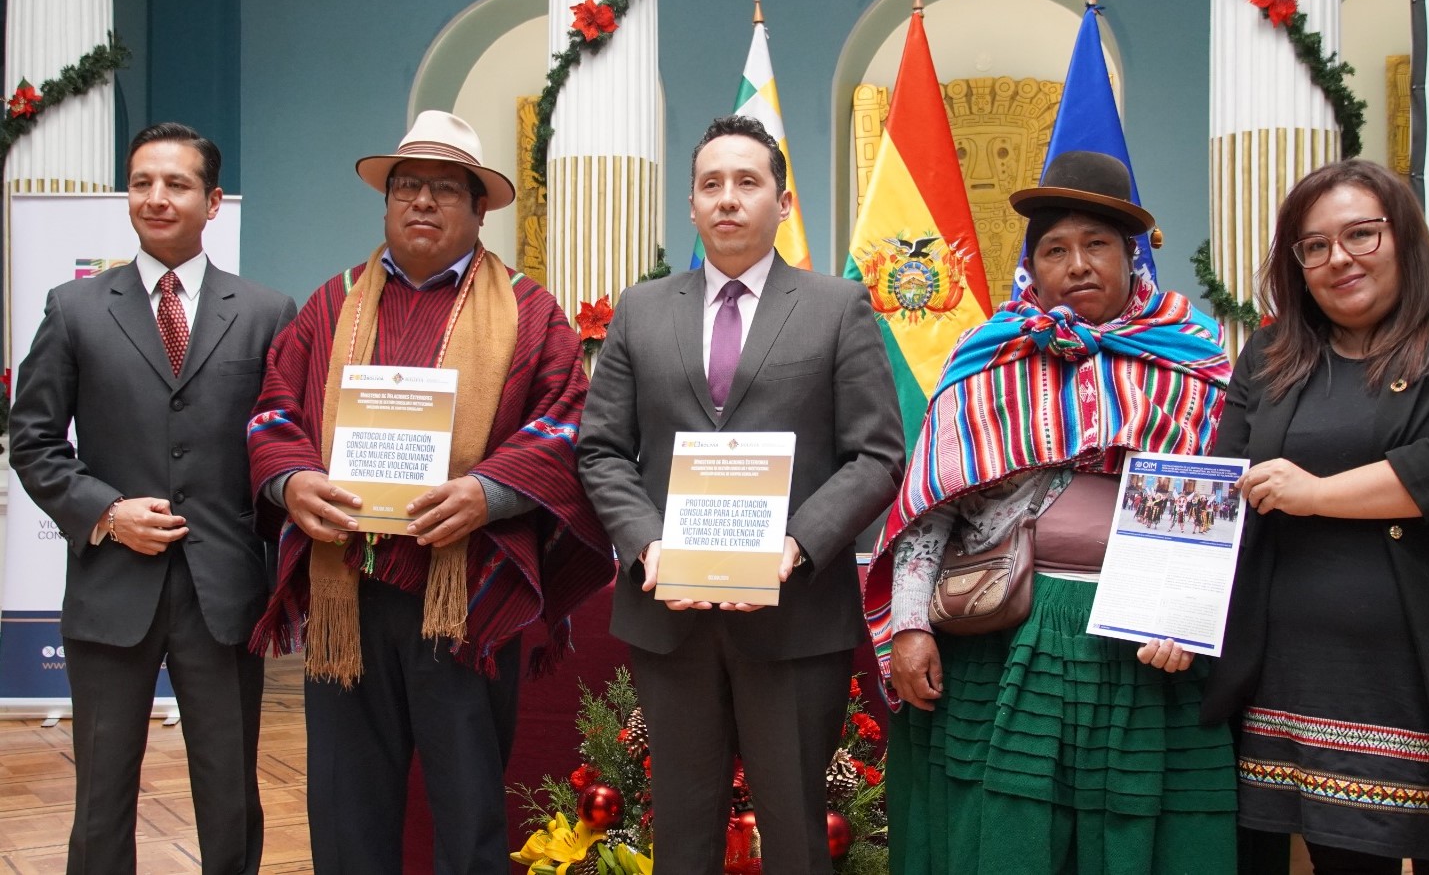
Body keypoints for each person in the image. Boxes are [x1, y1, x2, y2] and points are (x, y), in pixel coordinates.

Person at [246, 110, 613, 874]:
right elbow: (274, 410)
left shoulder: (529, 312)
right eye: (406, 186)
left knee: (470, 804)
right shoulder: (328, 306)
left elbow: (566, 426)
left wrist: (491, 492)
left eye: (446, 189)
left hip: (468, 597)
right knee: (347, 807)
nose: (421, 202)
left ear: (481, 210)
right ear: (384, 202)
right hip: (347, 588)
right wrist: (291, 481)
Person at [865, 150, 1238, 874]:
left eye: (1096, 245)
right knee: (1001, 835)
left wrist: (1182, 615)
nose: (1077, 265)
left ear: (1132, 259)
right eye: (1054, 250)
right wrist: (909, 626)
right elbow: (928, 511)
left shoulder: (1194, 358)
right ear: (1030, 268)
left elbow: (1219, 504)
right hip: (1005, 640)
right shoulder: (986, 357)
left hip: (1149, 650)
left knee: (1146, 834)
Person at [576, 114, 904, 874]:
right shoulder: (641, 309)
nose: (728, 199)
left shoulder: (835, 307)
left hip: (792, 618)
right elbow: (600, 450)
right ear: (690, 204)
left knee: (794, 835)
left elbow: (876, 454)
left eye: (747, 182)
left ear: (782, 203)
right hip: (671, 616)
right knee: (681, 837)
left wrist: (795, 545)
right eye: (711, 184)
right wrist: (649, 543)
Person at [8, 122, 297, 875]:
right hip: (111, 589)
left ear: (213, 202)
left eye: (175, 184)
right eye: (141, 183)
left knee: (230, 795)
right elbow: (32, 440)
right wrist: (106, 511)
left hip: (225, 590)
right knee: (101, 798)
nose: (156, 198)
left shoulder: (267, 313)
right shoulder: (73, 309)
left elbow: (286, 442)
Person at [1203, 158, 1429, 874]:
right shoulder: (1269, 354)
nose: (1338, 259)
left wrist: (1314, 493)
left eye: (1360, 234)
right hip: (1302, 683)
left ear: (1404, 238)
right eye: (1314, 246)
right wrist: (1171, 612)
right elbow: (1217, 491)